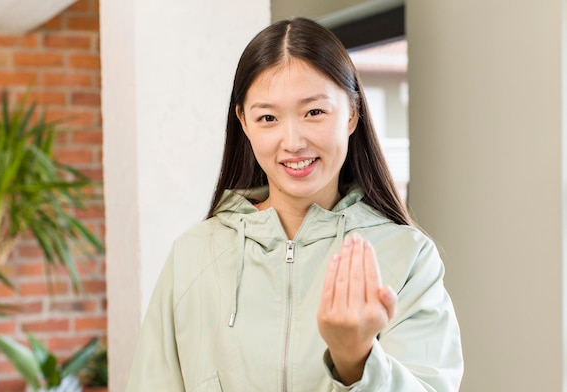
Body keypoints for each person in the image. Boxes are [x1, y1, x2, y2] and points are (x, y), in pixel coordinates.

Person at [126, 17, 463, 392]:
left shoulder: (408, 258)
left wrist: (355, 359)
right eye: (268, 117)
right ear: (244, 122)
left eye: (314, 112)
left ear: (352, 112)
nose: (292, 142)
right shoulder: (191, 257)